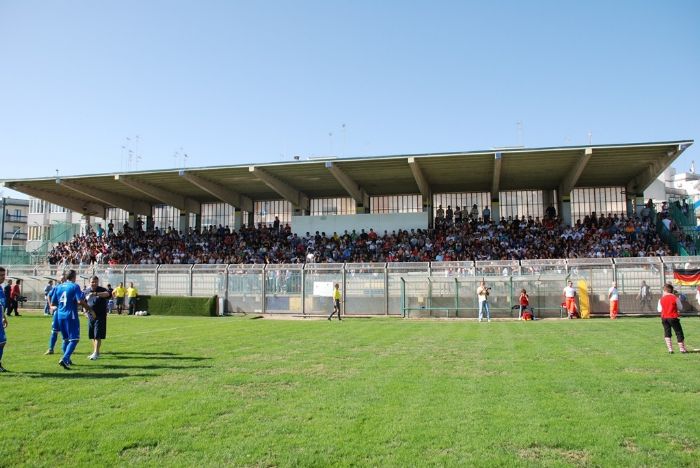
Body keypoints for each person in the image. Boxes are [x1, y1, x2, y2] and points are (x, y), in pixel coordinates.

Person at [51, 269, 89, 370]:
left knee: (66, 339)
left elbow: (53, 303)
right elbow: (80, 301)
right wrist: (90, 310)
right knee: (75, 339)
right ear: (74, 276)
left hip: (60, 315)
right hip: (70, 315)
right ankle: (65, 358)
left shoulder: (58, 287)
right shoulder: (74, 286)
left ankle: (67, 360)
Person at [85, 276, 111, 360]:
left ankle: (96, 352)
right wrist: (85, 312)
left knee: (97, 335)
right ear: (89, 282)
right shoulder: (86, 291)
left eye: (96, 282)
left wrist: (95, 293)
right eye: (92, 282)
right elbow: (84, 303)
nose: (94, 283)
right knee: (92, 335)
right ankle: (96, 352)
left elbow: (108, 294)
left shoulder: (102, 289)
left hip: (100, 316)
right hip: (90, 316)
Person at [657, 283, 687, 354]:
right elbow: (681, 307)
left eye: (663, 290)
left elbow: (659, 310)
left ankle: (670, 349)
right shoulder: (675, 298)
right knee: (679, 332)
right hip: (673, 317)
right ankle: (682, 349)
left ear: (666, 290)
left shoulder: (661, 299)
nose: (663, 292)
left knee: (667, 333)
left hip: (664, 317)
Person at [0, 267, 9, 372]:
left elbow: (1, 306)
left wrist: (4, 317)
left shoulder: (1, 289)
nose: (4, 277)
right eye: (1, 275)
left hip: (0, 321)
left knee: (2, 342)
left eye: (4, 275)